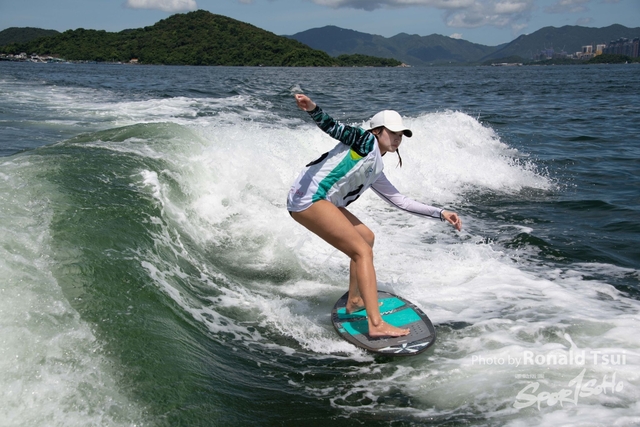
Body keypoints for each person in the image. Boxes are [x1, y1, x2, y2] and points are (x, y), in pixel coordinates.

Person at [288, 94, 462, 338]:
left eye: (401, 135)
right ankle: (376, 324)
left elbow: (400, 201)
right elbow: (333, 127)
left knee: (366, 238)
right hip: (308, 198)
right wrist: (312, 108)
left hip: (323, 201)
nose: (398, 138)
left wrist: (441, 213)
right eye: (393, 133)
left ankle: (355, 300)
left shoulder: (376, 166)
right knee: (362, 252)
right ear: (377, 131)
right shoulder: (364, 140)